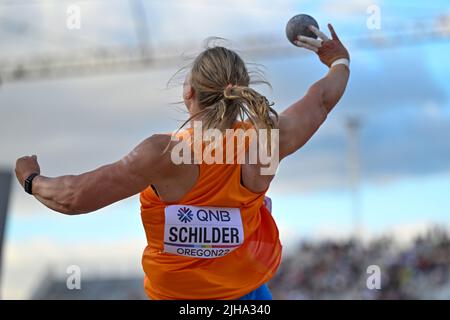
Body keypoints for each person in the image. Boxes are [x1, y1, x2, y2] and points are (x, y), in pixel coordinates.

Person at [15, 24, 350, 300]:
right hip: (248, 297)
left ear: (189, 92)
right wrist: (339, 61)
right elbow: (320, 101)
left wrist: (31, 180)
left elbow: (74, 197)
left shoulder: (162, 155)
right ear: (240, 92)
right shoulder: (264, 141)